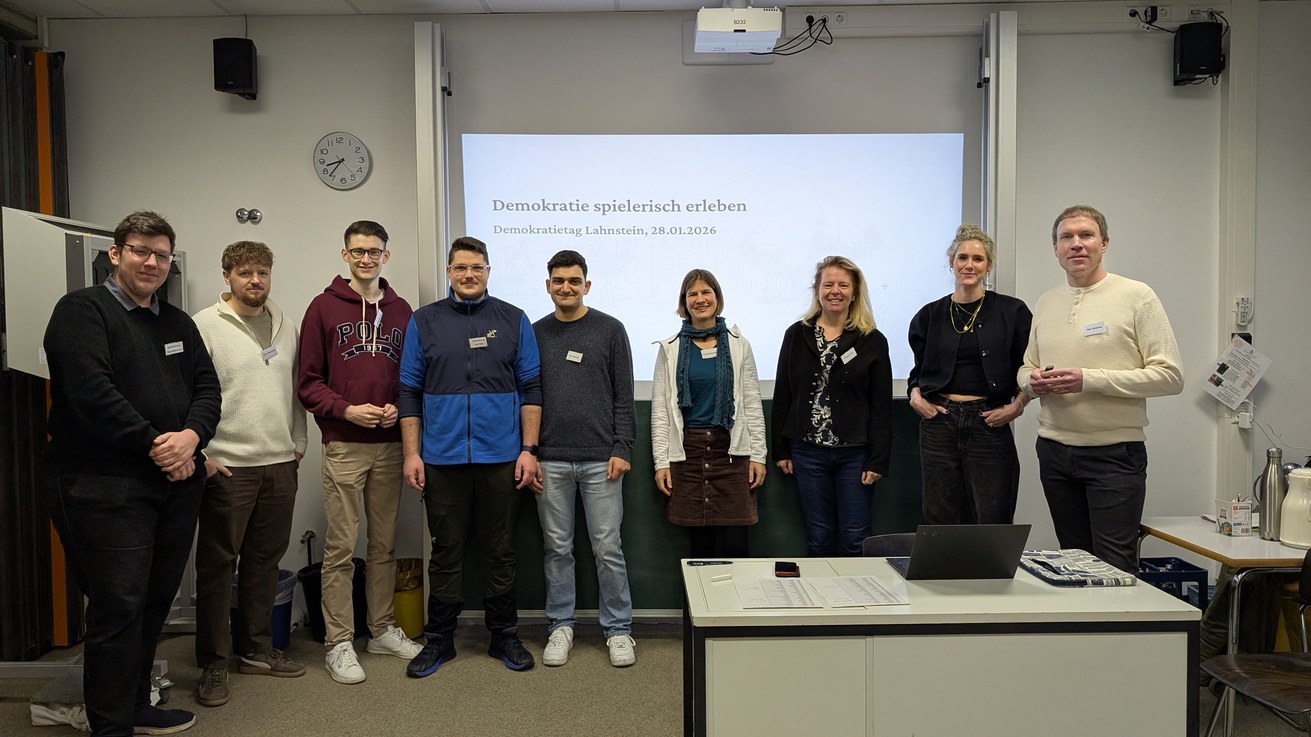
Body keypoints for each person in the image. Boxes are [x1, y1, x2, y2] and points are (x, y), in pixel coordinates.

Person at [42, 210, 221, 736]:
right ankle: (111, 725)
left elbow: (208, 390)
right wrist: (157, 445)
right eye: (141, 250)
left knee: (153, 603)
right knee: (118, 607)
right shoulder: (81, 311)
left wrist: (191, 438)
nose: (152, 262)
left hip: (174, 484)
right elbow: (91, 393)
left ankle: (137, 705)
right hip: (102, 486)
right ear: (115, 254)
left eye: (162, 255)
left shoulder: (177, 323)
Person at [400, 236, 542, 677]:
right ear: (448, 272)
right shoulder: (424, 321)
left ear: (488, 271)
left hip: (502, 457)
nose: (468, 275)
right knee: (446, 551)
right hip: (440, 459)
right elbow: (408, 390)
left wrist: (528, 449)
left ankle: (505, 636)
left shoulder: (514, 320)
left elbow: (532, 389)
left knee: (500, 550)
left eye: (476, 267)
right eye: (460, 267)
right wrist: (412, 454)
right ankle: (439, 640)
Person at [1019, 205, 1184, 572]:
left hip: (1114, 456)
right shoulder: (1046, 302)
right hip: (1055, 452)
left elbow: (1170, 376)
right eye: (1067, 237)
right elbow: (1026, 366)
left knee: (1114, 565)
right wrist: (1030, 382)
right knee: (1074, 562)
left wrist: (1088, 378)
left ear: (1104, 243)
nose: (1076, 244)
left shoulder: (1137, 296)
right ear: (1056, 249)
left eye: (1086, 235)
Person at [298, 220, 422, 685]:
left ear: (386, 256)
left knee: (384, 543)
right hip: (346, 445)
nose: (366, 258)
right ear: (344, 254)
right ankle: (338, 641)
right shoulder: (323, 307)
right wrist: (347, 410)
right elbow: (307, 383)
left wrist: (397, 409)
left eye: (374, 251)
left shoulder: (402, 309)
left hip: (390, 445)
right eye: (358, 251)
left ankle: (381, 629)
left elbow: (412, 376)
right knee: (340, 547)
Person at [191, 241, 309, 707]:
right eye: (244, 273)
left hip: (279, 463)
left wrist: (297, 444)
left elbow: (296, 393)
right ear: (227, 277)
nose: (254, 281)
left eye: (262, 272)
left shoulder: (287, 325)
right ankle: (213, 665)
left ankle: (257, 650)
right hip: (227, 466)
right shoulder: (203, 326)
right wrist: (201, 453)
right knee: (219, 567)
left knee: (264, 561)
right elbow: (189, 395)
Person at [532, 250, 637, 668]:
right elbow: (527, 398)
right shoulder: (535, 333)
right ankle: (561, 625)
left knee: (607, 548)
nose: (566, 287)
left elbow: (624, 397)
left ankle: (619, 630)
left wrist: (622, 448)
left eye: (574, 280)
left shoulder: (611, 330)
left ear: (586, 285)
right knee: (556, 548)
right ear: (548, 285)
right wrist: (531, 453)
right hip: (549, 461)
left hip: (601, 461)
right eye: (559, 280)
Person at [907, 227, 1032, 525]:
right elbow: (918, 372)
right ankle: (946, 573)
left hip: (988, 422)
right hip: (939, 422)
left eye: (978, 258)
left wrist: (1018, 405)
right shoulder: (929, 315)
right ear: (951, 262)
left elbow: (1030, 367)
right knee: (941, 515)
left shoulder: (1012, 312)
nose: (969, 265)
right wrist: (914, 396)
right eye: (962, 257)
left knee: (993, 514)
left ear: (988, 265)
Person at [772, 256, 892, 556]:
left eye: (843, 285)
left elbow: (881, 406)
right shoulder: (796, 334)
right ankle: (821, 602)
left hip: (855, 454)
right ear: (817, 290)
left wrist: (878, 459)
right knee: (819, 537)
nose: (834, 291)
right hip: (807, 452)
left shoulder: (871, 340)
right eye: (828, 284)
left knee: (855, 537)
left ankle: (858, 601)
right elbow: (783, 394)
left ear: (854, 292)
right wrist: (781, 449)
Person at [651, 269, 767, 558]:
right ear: (684, 301)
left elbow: (752, 403)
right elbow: (661, 413)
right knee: (699, 551)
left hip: (732, 452)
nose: (700, 299)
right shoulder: (671, 348)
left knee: (736, 546)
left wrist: (758, 456)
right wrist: (661, 463)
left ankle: (735, 605)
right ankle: (699, 605)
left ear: (717, 297)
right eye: (693, 294)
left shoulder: (739, 344)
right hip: (688, 454)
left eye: (706, 292)